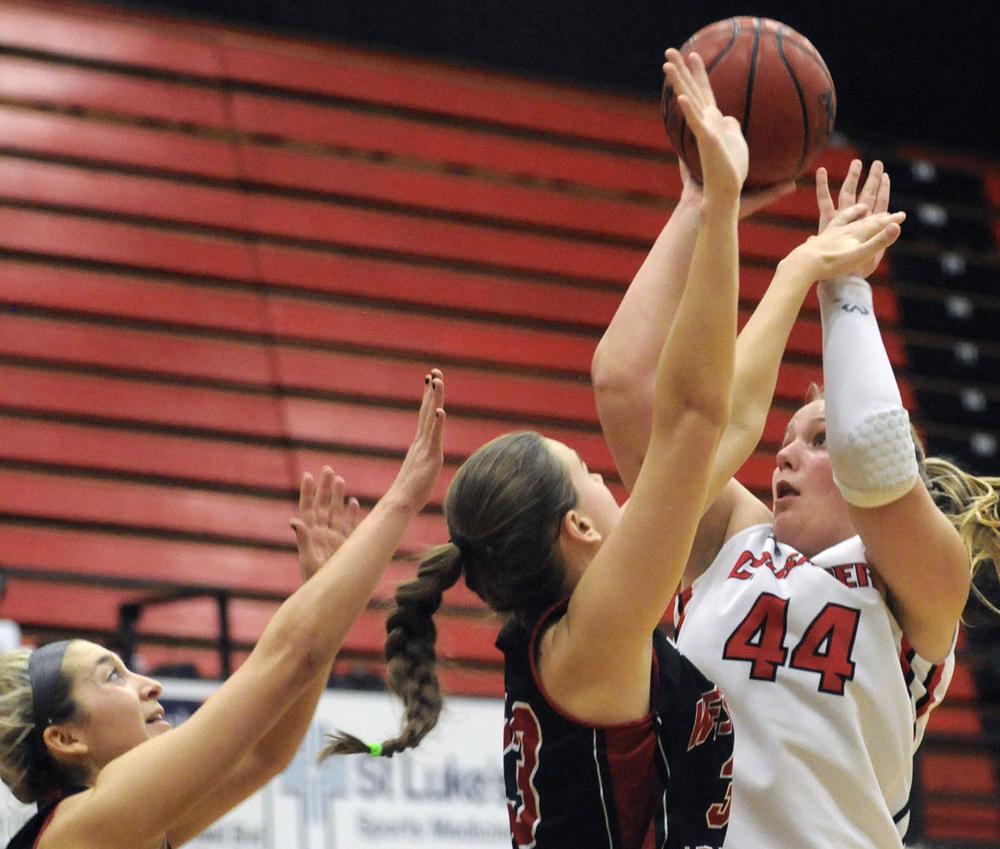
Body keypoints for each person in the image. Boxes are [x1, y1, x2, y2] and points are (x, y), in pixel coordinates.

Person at [322, 51, 903, 849]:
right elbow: (697, 421)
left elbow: (687, 414)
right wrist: (774, 246)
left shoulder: (575, 634)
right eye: (588, 474)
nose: (608, 474)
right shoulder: (595, 629)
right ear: (580, 529)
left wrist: (699, 203)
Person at [591, 152, 1000, 849]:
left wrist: (841, 283)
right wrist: (700, 207)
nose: (785, 453)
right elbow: (624, 387)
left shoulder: (925, 578)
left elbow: (872, 459)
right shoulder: (733, 538)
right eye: (786, 439)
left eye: (813, 439)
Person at [0, 371, 445, 849]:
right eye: (113, 677)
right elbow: (295, 654)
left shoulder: (129, 827)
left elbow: (263, 755)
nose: (150, 684)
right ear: (65, 740)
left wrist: (326, 593)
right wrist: (403, 497)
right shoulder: (80, 831)